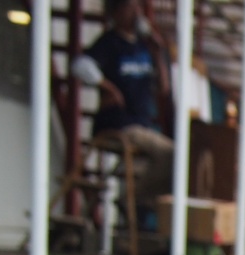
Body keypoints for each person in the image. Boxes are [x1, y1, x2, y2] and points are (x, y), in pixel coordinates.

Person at [72, 0, 173, 207]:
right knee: (172, 153)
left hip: (142, 124)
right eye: (129, 6)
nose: (135, 12)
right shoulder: (110, 42)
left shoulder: (144, 46)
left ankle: (135, 200)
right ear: (116, 12)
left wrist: (158, 55)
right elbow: (80, 65)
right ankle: (132, 200)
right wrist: (106, 86)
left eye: (138, 7)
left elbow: (163, 89)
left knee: (159, 164)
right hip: (120, 123)